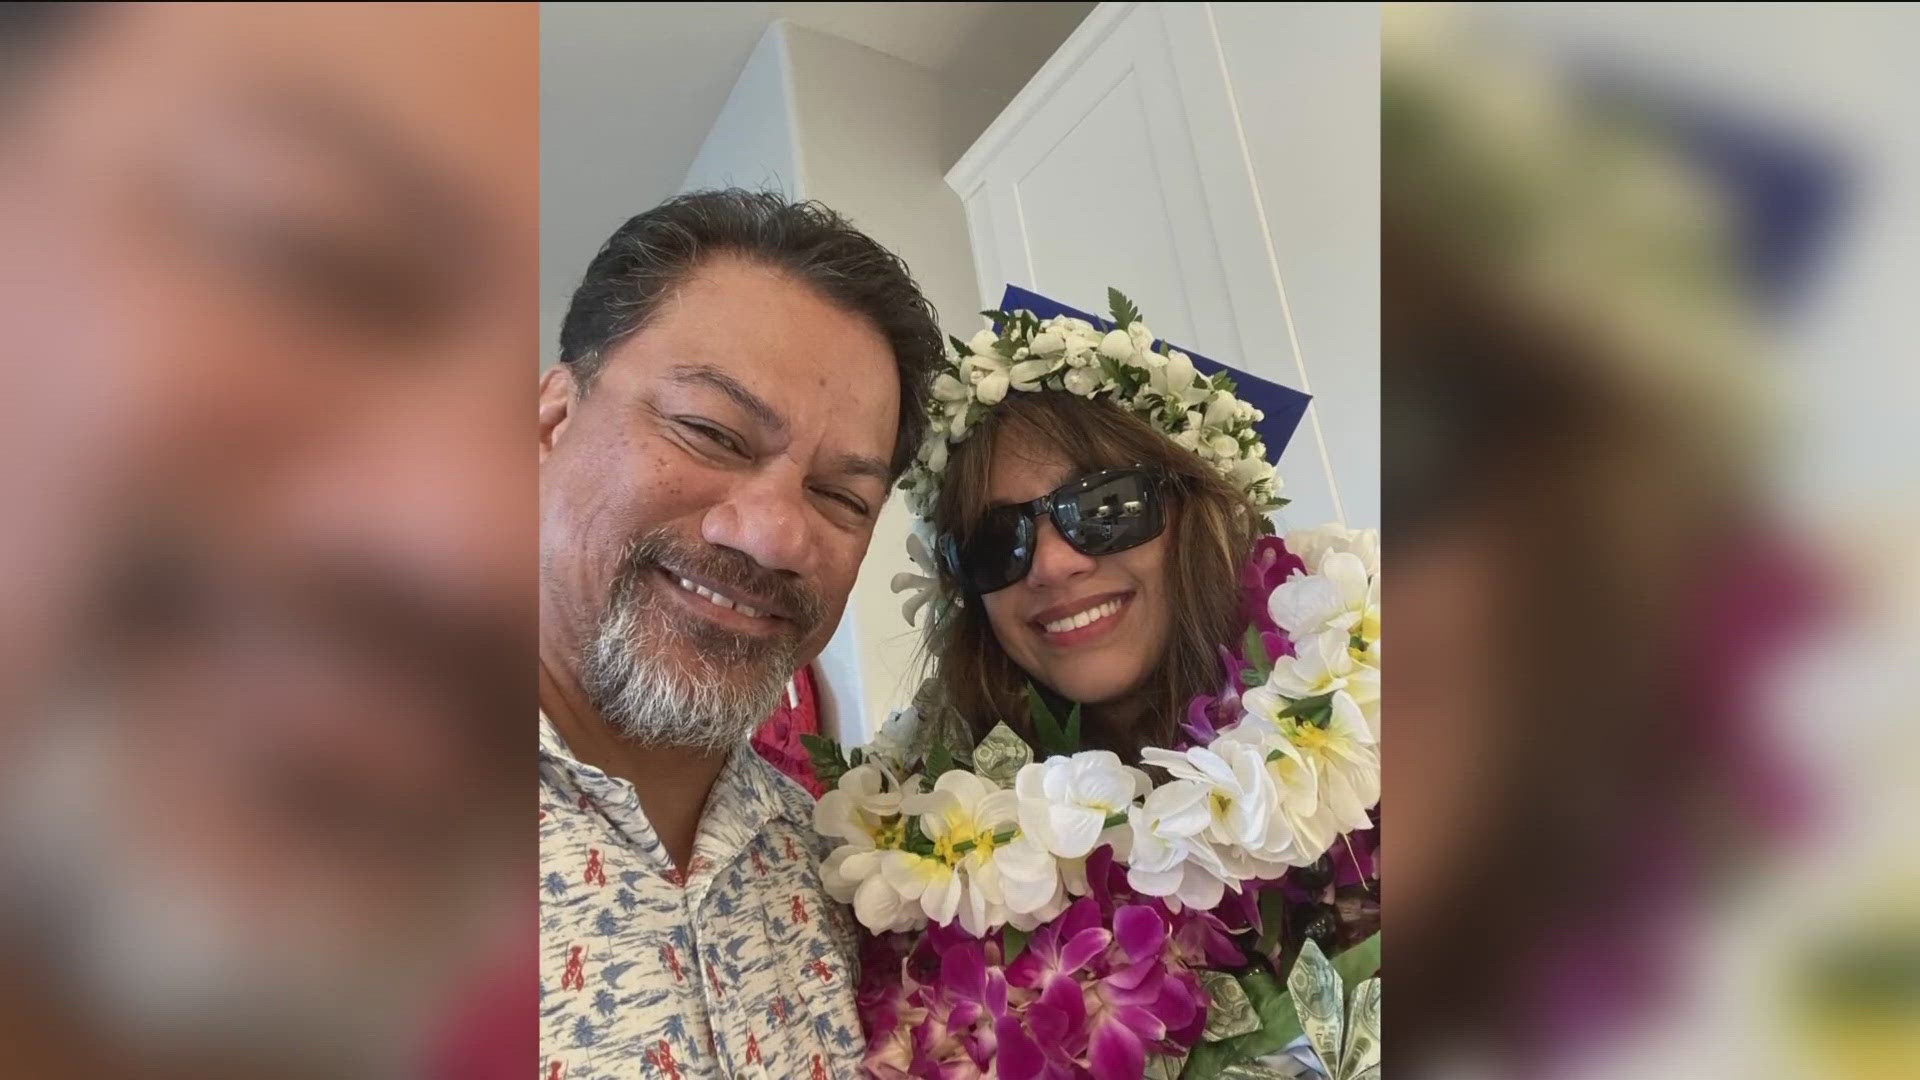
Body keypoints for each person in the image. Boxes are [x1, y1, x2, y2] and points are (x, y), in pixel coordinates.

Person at [537, 189, 942, 1078]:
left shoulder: (846, 879)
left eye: (842, 498)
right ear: (551, 421)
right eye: (711, 432)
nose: (773, 534)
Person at [898, 389, 1261, 763]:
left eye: (1106, 507)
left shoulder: (1320, 740)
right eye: (995, 539)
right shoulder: (930, 807)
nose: (1050, 565)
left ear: (1195, 517)